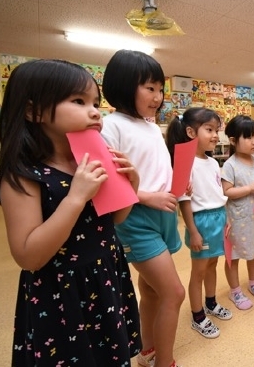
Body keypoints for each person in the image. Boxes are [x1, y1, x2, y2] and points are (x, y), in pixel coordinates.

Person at [0, 59, 142, 365]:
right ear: (33, 111)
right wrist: (75, 197)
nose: (95, 112)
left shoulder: (90, 160)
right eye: (78, 101)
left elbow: (114, 220)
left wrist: (132, 187)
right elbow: (28, 256)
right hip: (62, 291)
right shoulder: (24, 174)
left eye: (96, 103)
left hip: (106, 274)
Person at [101, 50, 184, 367]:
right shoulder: (111, 126)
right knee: (174, 293)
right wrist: (147, 197)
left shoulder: (150, 126)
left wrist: (176, 185)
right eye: (150, 88)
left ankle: (147, 348)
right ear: (124, 86)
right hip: (135, 219)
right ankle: (165, 361)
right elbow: (108, 183)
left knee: (150, 290)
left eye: (160, 89)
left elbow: (153, 167)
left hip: (163, 214)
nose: (158, 97)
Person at [167, 107, 232, 339]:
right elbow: (184, 200)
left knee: (213, 264)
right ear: (191, 132)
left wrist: (226, 218)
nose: (215, 135)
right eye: (209, 130)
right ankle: (197, 316)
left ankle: (211, 302)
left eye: (217, 130)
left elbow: (218, 193)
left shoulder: (213, 162)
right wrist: (192, 230)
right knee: (199, 271)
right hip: (201, 221)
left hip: (218, 217)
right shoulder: (185, 162)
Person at [221, 115, 254, 310]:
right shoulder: (230, 165)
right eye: (249, 137)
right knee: (233, 256)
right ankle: (235, 290)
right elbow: (226, 191)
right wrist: (249, 188)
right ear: (233, 140)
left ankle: (253, 283)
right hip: (237, 219)